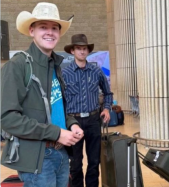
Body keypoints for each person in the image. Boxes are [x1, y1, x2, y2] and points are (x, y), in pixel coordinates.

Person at [1, 2, 84, 187]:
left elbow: (57, 108)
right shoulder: (17, 65)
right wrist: (55, 133)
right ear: (32, 31)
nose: (50, 32)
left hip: (61, 153)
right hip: (38, 159)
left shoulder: (55, 66)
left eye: (55, 28)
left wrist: (72, 124)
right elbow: (7, 118)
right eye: (43, 27)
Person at [62, 34, 113, 187]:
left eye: (84, 49)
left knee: (94, 161)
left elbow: (108, 93)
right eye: (78, 48)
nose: (82, 51)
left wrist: (107, 108)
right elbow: (60, 100)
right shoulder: (64, 73)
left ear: (88, 51)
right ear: (72, 51)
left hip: (93, 121)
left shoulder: (96, 71)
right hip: (73, 122)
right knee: (75, 164)